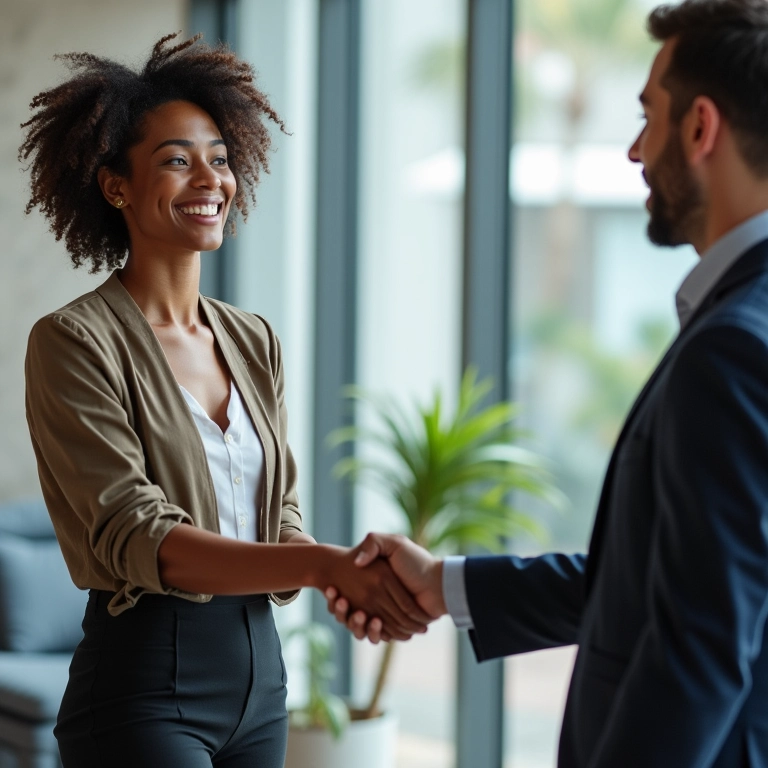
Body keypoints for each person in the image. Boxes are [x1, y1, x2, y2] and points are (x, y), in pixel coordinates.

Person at [327, 0, 768, 765]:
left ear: (700, 128)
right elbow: (669, 580)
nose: (634, 150)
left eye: (647, 117)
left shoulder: (731, 348)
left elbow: (697, 646)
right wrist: (442, 584)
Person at [20, 34, 429, 768]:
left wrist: (351, 578)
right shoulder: (73, 341)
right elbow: (136, 535)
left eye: (220, 156)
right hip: (144, 688)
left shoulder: (252, 339)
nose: (210, 178)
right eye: (177, 159)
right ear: (116, 185)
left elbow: (281, 520)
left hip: (260, 688)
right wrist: (323, 567)